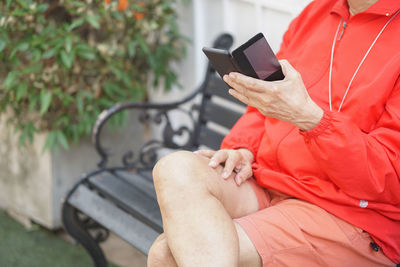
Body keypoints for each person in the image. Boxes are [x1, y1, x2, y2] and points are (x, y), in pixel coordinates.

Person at [147, 0, 400, 266]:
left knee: (166, 255)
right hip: (273, 183)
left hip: (346, 213)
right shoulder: (319, 11)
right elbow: (269, 99)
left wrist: (311, 120)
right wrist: (243, 148)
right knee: (174, 168)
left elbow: (389, 178)